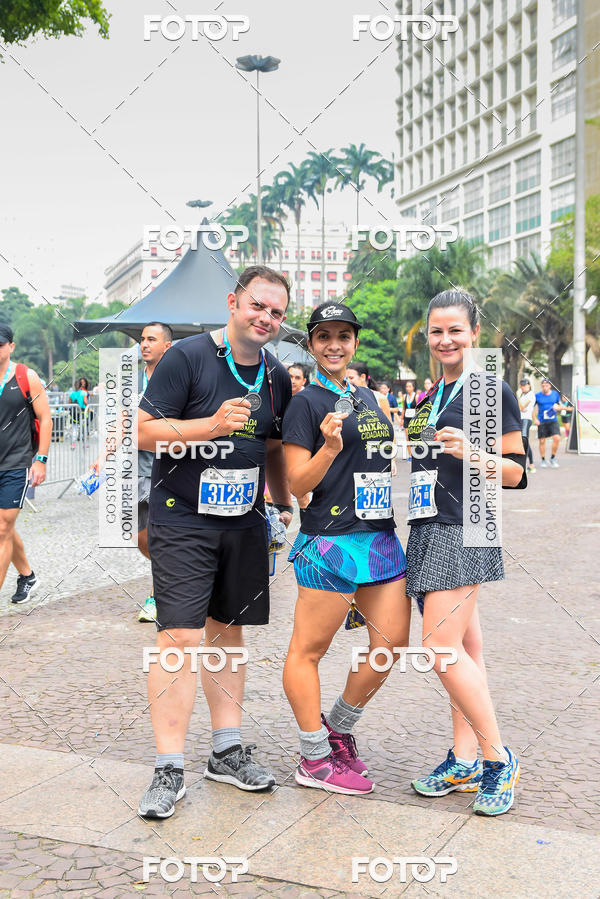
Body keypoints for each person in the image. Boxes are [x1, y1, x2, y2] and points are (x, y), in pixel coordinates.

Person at [136, 265, 293, 818]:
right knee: (179, 638)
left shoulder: (276, 375)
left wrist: (281, 503)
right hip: (183, 519)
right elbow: (143, 431)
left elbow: (272, 445)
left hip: (244, 521)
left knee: (228, 633)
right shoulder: (187, 357)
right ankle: (168, 767)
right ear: (233, 301)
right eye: (258, 305)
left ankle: (225, 752)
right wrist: (210, 426)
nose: (266, 318)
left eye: (277, 312)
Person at [282, 302, 410, 795]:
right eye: (324, 336)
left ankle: (337, 729)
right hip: (328, 541)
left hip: (379, 537)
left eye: (343, 336)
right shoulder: (305, 404)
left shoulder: (369, 398)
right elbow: (297, 483)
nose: (334, 345)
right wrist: (330, 450)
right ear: (312, 344)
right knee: (308, 650)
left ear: (355, 341)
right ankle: (314, 758)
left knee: (391, 643)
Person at [405, 289, 525, 816]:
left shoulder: (488, 389)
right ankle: (464, 758)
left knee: (439, 648)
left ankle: (499, 758)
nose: (445, 339)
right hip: (427, 524)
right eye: (436, 331)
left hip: (467, 524)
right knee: (464, 651)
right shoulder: (430, 395)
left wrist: (473, 453)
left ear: (475, 332)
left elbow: (517, 472)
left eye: (455, 329)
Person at [93, 323, 173, 623]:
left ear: (167, 346)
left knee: (161, 535)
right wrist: (103, 456)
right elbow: (122, 419)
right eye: (142, 339)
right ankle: (181, 573)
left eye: (152, 339)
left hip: (167, 468)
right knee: (140, 537)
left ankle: (159, 596)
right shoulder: (133, 380)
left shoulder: (177, 379)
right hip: (135, 469)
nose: (144, 344)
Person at [0, 323, 52, 604]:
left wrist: (40, 460)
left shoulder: (25, 376)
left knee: (2, 529)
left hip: (16, 463)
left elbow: (45, 418)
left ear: (11, 346)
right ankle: (27, 576)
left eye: (0, 345)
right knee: (4, 528)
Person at [533, 378, 564, 468]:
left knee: (557, 438)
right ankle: (543, 460)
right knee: (542, 441)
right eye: (543, 386)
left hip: (553, 420)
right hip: (542, 421)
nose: (544, 387)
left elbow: (559, 405)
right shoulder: (537, 395)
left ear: (550, 386)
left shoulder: (555, 394)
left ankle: (552, 458)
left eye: (546, 386)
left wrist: (558, 407)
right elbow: (531, 408)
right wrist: (535, 419)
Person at [517, 377, 536, 473]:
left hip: (526, 420)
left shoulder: (531, 395)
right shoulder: (523, 395)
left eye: (524, 385)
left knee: (524, 441)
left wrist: (517, 397)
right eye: (521, 385)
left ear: (528, 385)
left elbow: (521, 407)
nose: (523, 387)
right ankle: (530, 464)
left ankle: (526, 465)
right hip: (520, 419)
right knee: (523, 442)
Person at [401, 381, 418, 457]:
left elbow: (418, 409)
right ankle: (410, 455)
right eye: (407, 386)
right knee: (408, 438)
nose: (408, 388)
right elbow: (403, 409)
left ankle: (416, 454)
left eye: (410, 386)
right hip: (406, 419)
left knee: (415, 437)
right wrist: (401, 419)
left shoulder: (416, 396)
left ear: (413, 387)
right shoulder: (404, 396)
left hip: (414, 419)